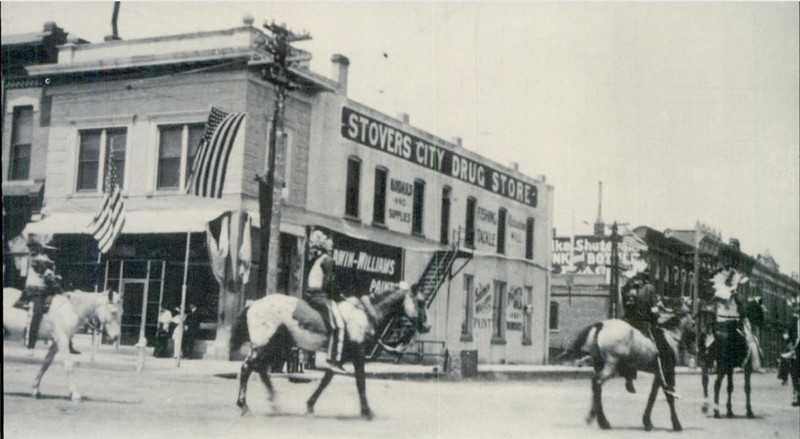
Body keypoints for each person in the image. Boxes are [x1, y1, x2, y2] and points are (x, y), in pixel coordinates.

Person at [621, 269, 679, 398]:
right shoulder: (649, 288)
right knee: (666, 351)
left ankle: (629, 378)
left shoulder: (627, 288)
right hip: (645, 325)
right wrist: (658, 316)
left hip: (628, 323)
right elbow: (653, 308)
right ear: (645, 278)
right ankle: (669, 384)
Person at [304, 230, 348, 374]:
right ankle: (333, 360)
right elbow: (329, 283)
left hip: (310, 294)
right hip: (319, 296)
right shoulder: (328, 260)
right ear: (326, 247)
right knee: (339, 325)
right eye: (331, 247)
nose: (333, 249)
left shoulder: (318, 259)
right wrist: (339, 296)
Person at [13, 242, 70, 352]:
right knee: (37, 312)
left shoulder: (46, 262)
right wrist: (60, 291)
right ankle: (30, 344)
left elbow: (51, 278)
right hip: (34, 291)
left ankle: (67, 342)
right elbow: (48, 279)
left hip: (46, 291)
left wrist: (57, 280)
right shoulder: (38, 261)